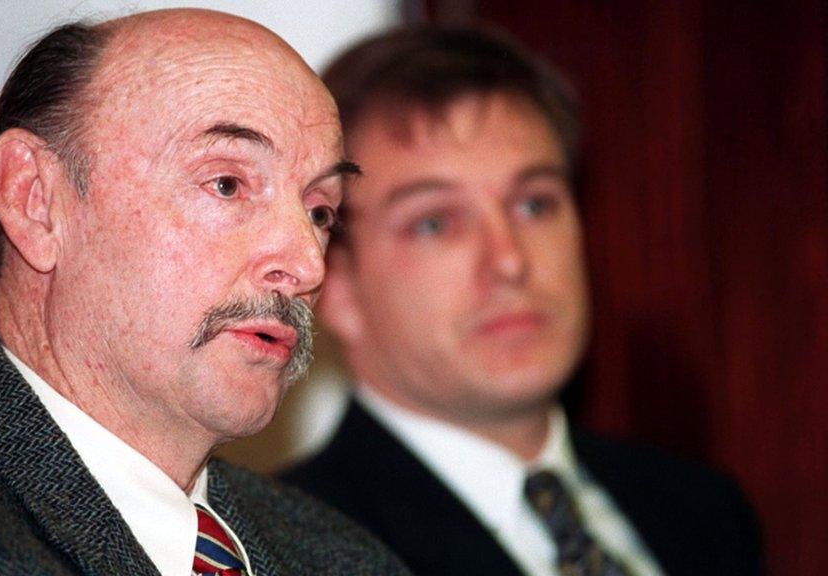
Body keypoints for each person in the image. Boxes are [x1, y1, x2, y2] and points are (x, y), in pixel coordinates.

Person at [0, 9, 413, 576]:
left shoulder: (341, 554)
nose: (307, 264)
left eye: (320, 212)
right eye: (227, 184)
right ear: (36, 203)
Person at [281, 26, 763, 576]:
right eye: (435, 221)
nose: (510, 260)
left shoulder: (703, 510)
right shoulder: (287, 552)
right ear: (335, 284)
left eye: (535, 204)